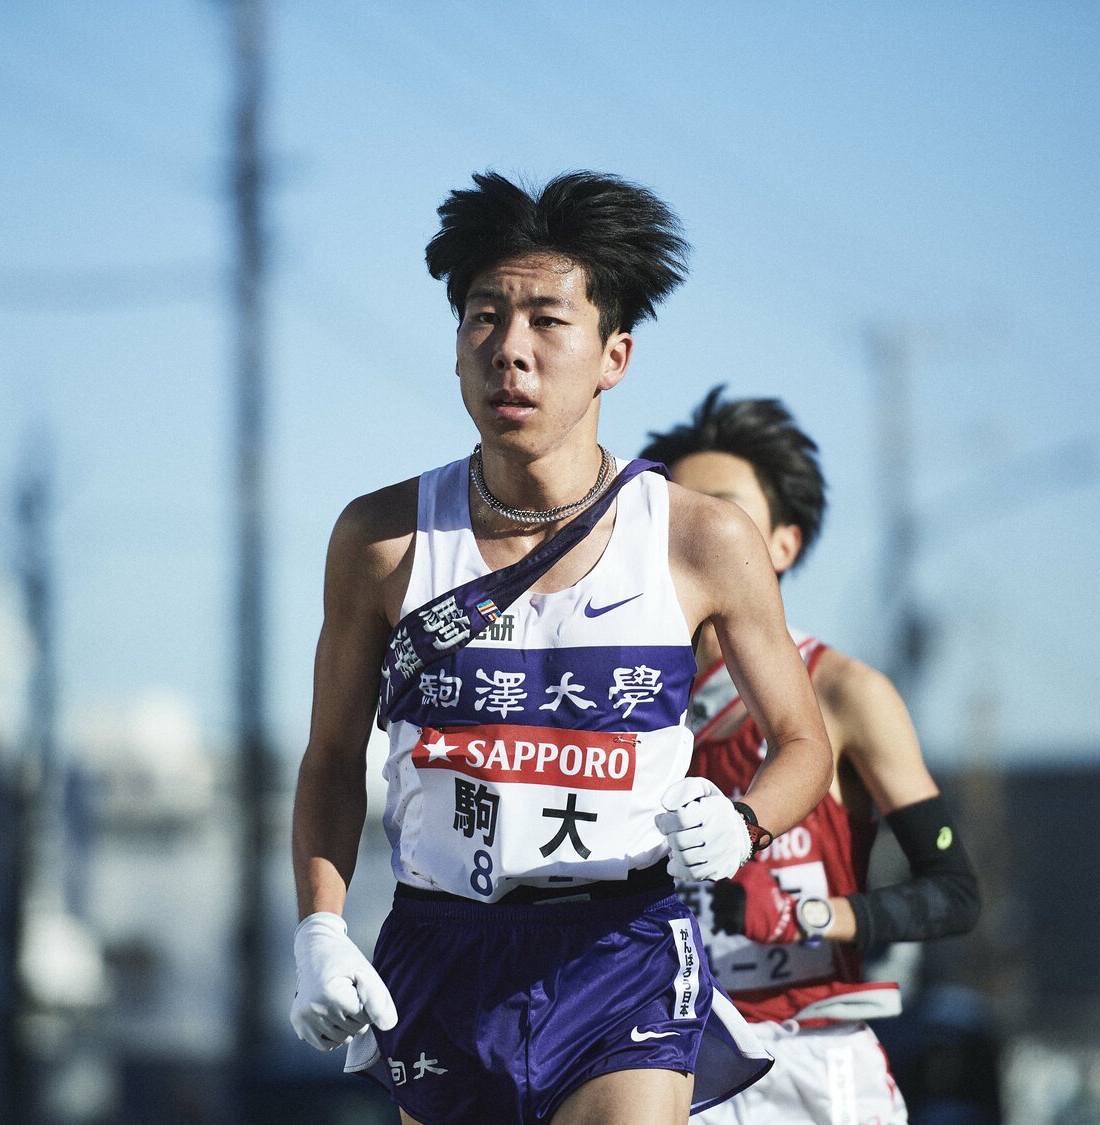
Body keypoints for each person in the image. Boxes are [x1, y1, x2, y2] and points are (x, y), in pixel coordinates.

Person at [288, 172, 837, 1125]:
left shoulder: (699, 538)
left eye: (548, 321)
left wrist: (742, 825)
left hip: (620, 942)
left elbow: (804, 745)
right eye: (482, 317)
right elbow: (334, 757)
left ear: (613, 355)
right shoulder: (382, 541)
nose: (511, 351)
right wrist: (320, 930)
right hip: (442, 945)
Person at [640, 391, 982, 1125]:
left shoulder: (845, 690)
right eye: (678, 511)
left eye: (723, 508)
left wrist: (807, 914)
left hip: (814, 1062)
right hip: (665, 1060)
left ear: (785, 542)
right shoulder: (618, 700)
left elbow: (953, 891)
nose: (698, 530)